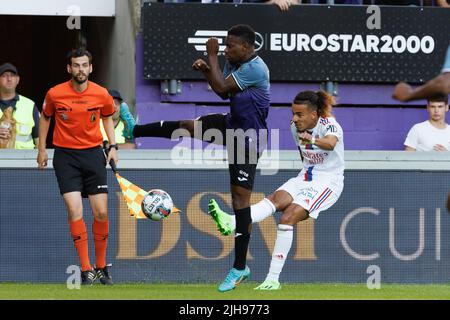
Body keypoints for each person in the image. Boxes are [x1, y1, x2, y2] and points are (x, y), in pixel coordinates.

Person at [123, 24, 270, 292]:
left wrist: (211, 56)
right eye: (223, 46)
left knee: (240, 201)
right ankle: (134, 129)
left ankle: (239, 268)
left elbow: (224, 87)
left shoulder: (255, 68)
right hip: (232, 124)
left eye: (230, 46)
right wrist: (207, 69)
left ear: (246, 47)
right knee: (187, 126)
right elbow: (222, 91)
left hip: (248, 137)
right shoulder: (235, 62)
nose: (226, 49)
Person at [209, 90, 345, 290]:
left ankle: (272, 279)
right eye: (293, 114)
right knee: (275, 199)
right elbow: (304, 156)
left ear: (313, 115)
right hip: (306, 176)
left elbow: (331, 144)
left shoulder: (329, 125)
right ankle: (232, 221)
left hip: (328, 182)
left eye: (299, 115)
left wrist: (312, 141)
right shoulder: (294, 128)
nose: (294, 119)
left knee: (287, 217)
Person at [36, 48, 118, 285]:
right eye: (76, 65)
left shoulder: (101, 94)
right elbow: (45, 118)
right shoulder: (55, 93)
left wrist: (113, 146)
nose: (80, 69)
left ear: (90, 68)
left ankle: (102, 266)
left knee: (101, 212)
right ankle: (86, 269)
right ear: (69, 68)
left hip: (93, 155)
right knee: (74, 210)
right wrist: (41, 150)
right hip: (65, 156)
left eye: (84, 65)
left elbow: (107, 117)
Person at [393, 45, 450, 211]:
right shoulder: (418, 129)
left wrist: (408, 94)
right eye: (433, 106)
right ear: (428, 108)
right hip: (423, 184)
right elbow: (407, 158)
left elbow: (444, 84)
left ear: (446, 108)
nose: (437, 110)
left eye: (440, 106)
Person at [0, 63, 40, 149]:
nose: (9, 79)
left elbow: (39, 139)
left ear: (18, 80)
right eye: (4, 76)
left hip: (24, 159)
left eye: (12, 75)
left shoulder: (30, 105)